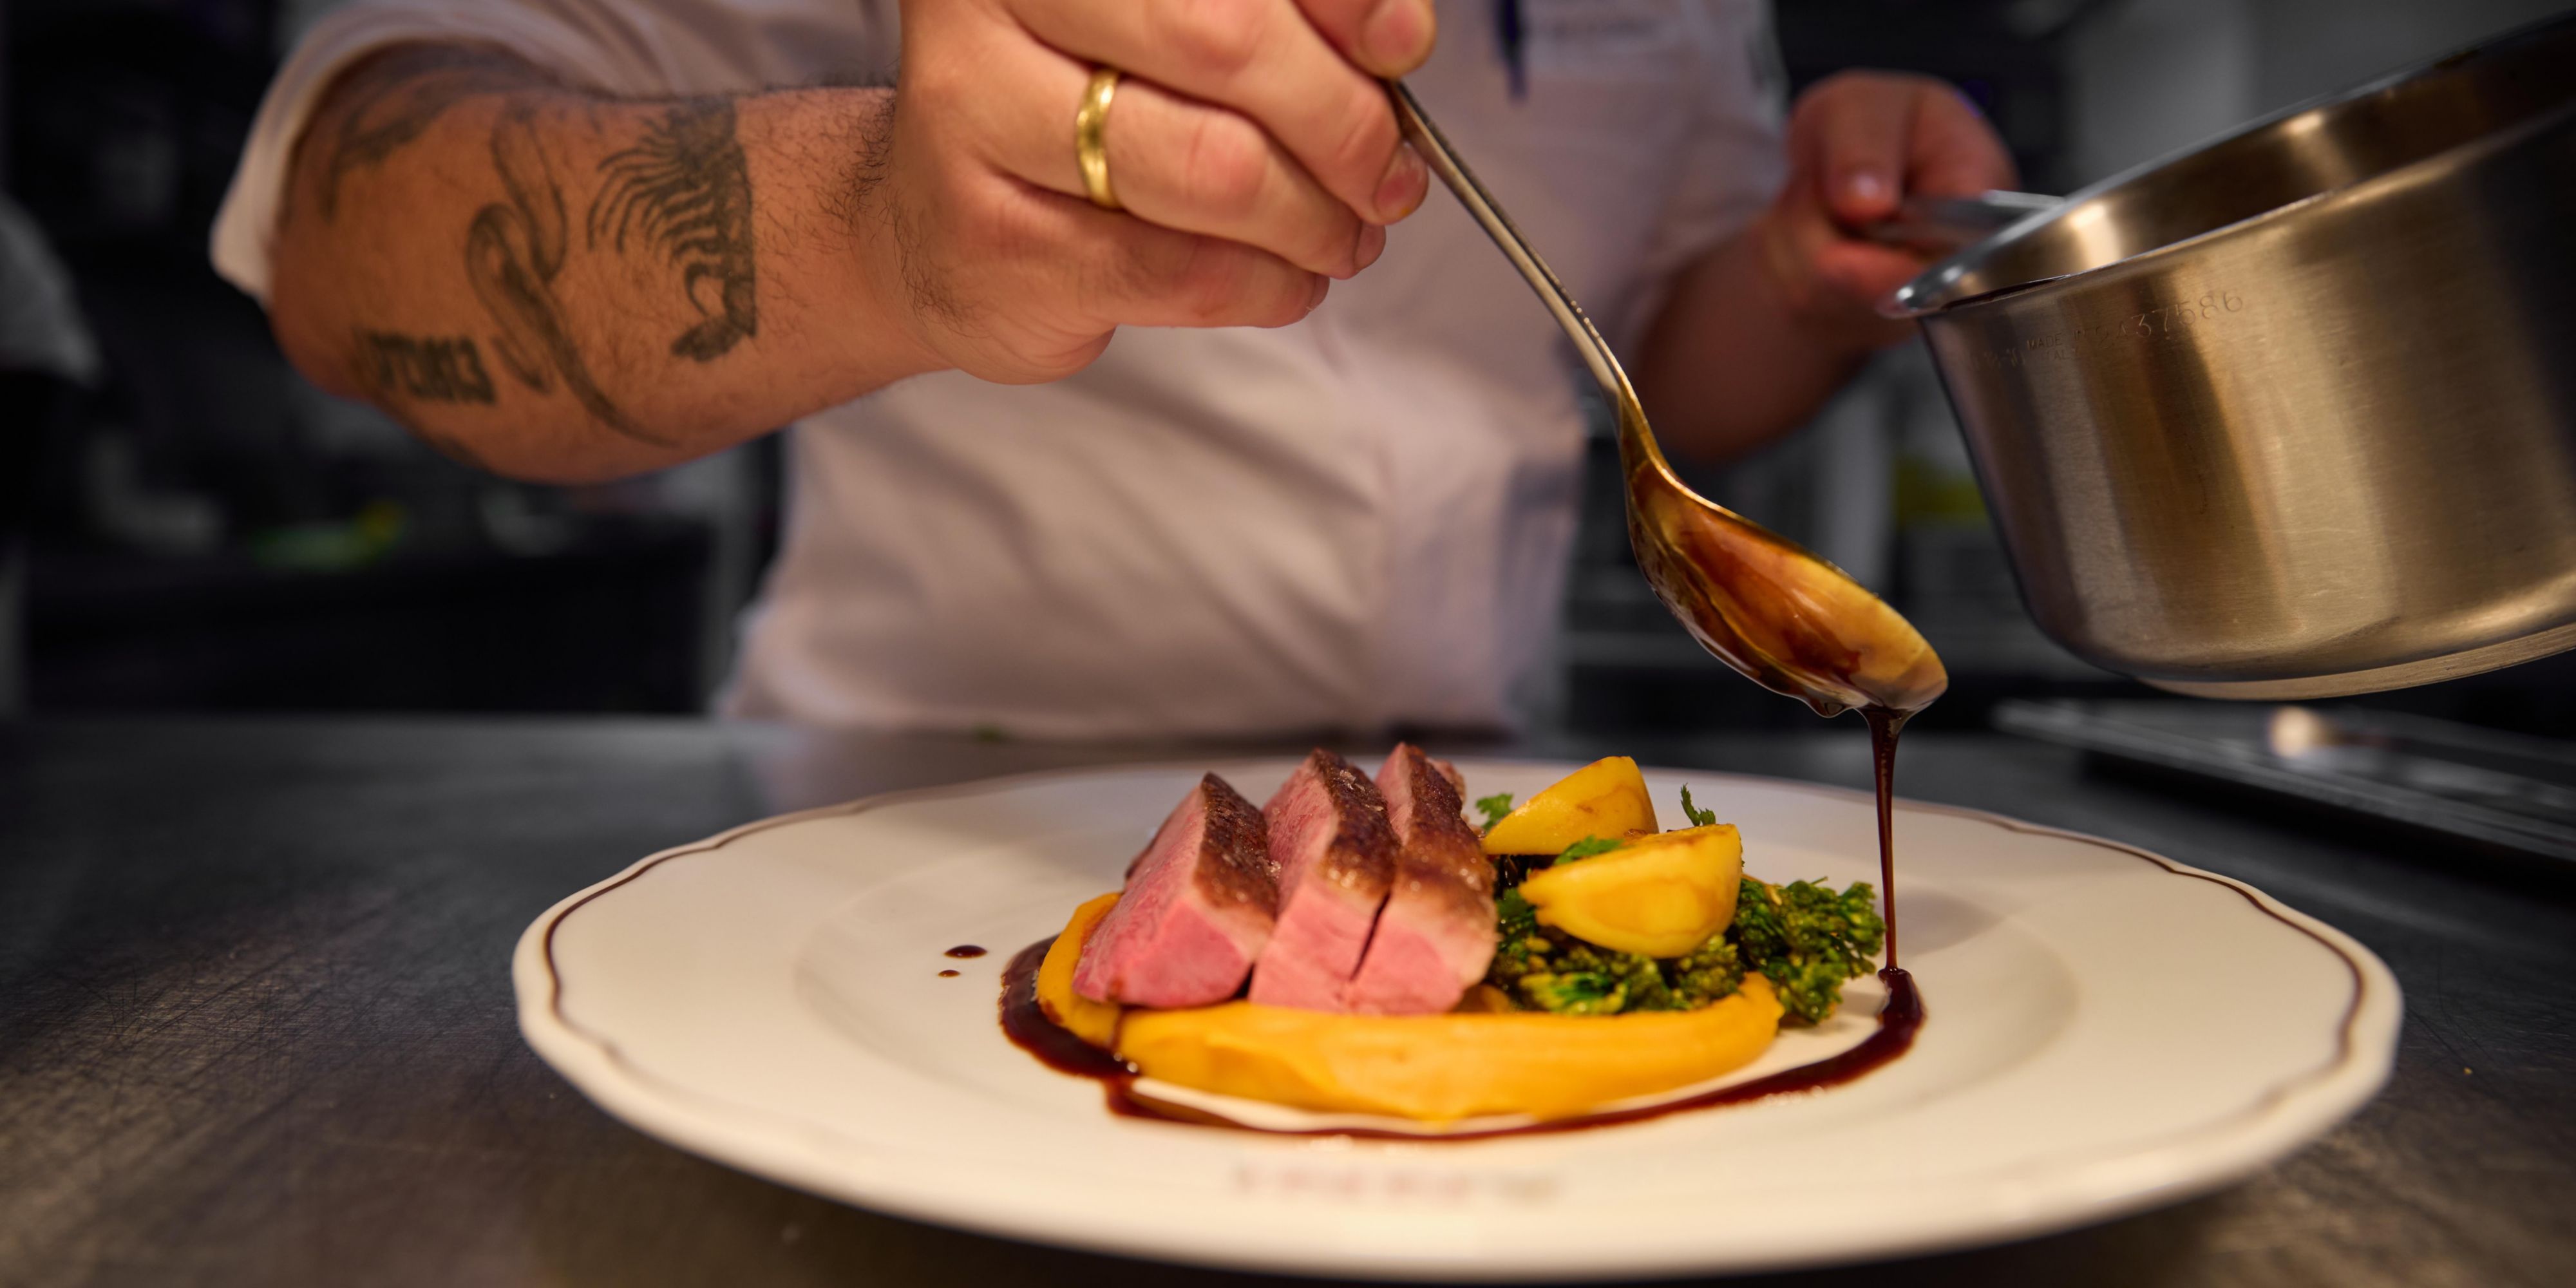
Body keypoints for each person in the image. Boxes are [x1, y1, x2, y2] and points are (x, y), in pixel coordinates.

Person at [213, 0, 2011, 737]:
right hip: (894, 835)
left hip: (1473, 848)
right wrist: (881, 227)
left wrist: (1792, 275)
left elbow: (1663, 382)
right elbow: (347, 242)